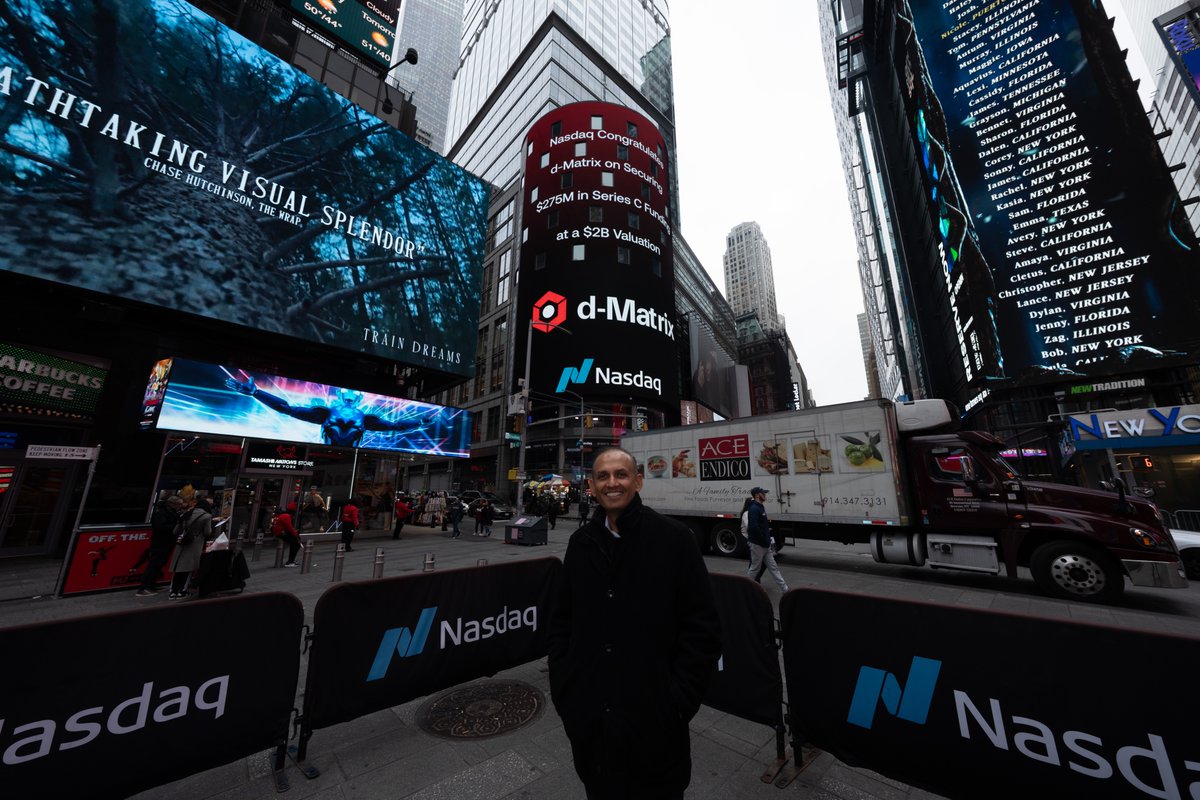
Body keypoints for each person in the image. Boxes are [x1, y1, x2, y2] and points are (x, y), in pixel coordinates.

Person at [548, 447, 721, 798]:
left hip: (656, 735)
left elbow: (702, 628)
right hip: (592, 731)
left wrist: (675, 706)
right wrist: (567, 697)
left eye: (621, 474)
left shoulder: (674, 539)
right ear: (592, 488)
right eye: (603, 476)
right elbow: (562, 623)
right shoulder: (580, 544)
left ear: (638, 481)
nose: (613, 483)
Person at [224, 376, 432, 448]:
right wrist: (256, 392)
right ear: (340, 396)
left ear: (359, 398)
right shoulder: (325, 412)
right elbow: (286, 408)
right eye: (346, 394)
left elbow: (396, 426)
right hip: (328, 452)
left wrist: (420, 422)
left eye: (354, 395)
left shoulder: (366, 418)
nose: (350, 397)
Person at [168, 487, 213, 599]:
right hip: (194, 544)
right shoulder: (206, 516)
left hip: (181, 543)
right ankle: (182, 591)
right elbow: (208, 532)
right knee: (188, 568)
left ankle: (173, 591)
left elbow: (175, 530)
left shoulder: (186, 514)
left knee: (178, 568)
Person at [135, 494, 184, 596]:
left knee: (160, 564)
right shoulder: (160, 513)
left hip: (167, 542)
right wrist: (176, 525)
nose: (180, 506)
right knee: (154, 564)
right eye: (179, 504)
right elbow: (159, 527)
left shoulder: (171, 512)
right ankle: (143, 588)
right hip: (160, 542)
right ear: (172, 504)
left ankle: (151, 585)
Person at [746, 487, 788, 593]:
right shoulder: (754, 509)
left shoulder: (760, 507)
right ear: (757, 495)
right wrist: (763, 539)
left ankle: (785, 590)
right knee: (755, 568)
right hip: (758, 545)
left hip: (765, 545)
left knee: (773, 567)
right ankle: (745, 589)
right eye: (763, 493)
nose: (765, 495)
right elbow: (753, 528)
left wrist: (766, 538)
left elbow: (759, 526)